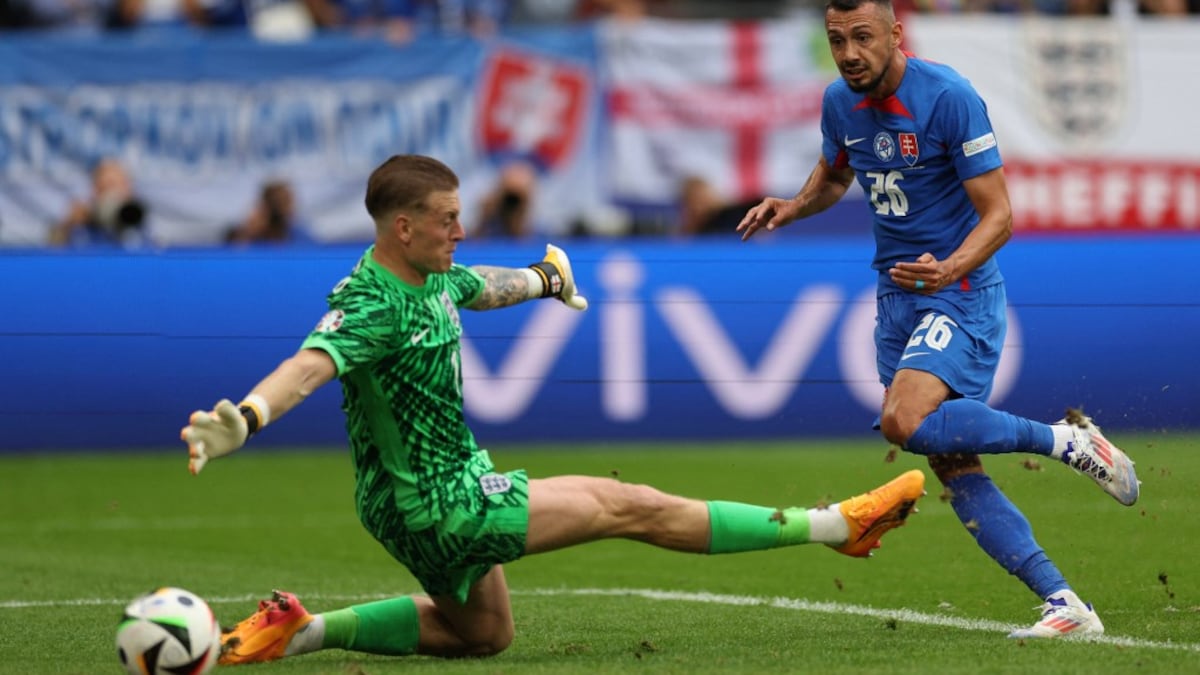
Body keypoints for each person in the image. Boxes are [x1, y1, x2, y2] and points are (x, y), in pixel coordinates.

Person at [181, 153, 927, 665]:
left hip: (413, 499)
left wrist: (543, 278)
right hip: (437, 504)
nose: (460, 231)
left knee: (486, 635)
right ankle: (836, 526)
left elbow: (485, 285)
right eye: (446, 219)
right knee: (626, 502)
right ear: (402, 227)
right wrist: (244, 418)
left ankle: (301, 632)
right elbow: (308, 368)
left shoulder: (432, 272)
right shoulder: (371, 302)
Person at [736, 0, 1139, 640]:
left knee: (904, 420)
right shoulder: (839, 101)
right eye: (837, 39)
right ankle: (1066, 605)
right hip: (896, 295)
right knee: (953, 464)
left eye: (862, 37)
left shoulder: (949, 96)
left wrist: (951, 269)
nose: (849, 53)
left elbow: (1000, 215)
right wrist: (791, 205)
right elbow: (835, 175)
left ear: (896, 34)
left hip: (961, 288)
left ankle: (1068, 442)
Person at [48, 157, 150, 248]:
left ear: (128, 190)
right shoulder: (83, 228)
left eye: (114, 185)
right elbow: (52, 252)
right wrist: (67, 225)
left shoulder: (137, 225)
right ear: (94, 192)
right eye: (103, 187)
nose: (110, 193)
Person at [224, 179, 316, 245]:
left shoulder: (298, 233)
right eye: (284, 202)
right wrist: (247, 234)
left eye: (290, 201)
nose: (291, 206)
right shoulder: (247, 235)